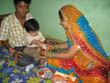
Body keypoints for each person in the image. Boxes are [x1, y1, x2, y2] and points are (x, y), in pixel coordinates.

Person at [32, 5, 110, 83]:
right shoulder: (72, 30)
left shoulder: (80, 35)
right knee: (61, 59)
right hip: (77, 58)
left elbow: (68, 55)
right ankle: (47, 63)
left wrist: (47, 54)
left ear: (68, 19)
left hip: (90, 63)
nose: (60, 23)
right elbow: (70, 44)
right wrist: (53, 47)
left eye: (62, 20)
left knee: (99, 77)